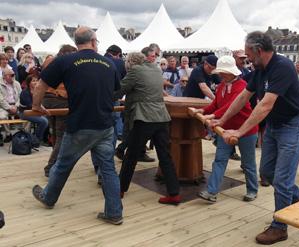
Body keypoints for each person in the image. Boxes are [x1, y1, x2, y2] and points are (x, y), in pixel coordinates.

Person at [213, 31, 299, 245]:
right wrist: (221, 119)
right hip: (275, 126)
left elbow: (265, 104)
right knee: (267, 173)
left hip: (292, 125)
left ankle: (279, 227)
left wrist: (238, 131)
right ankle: (296, 195)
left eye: (248, 54)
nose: (246, 59)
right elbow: (242, 97)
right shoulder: (258, 70)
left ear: (258, 50)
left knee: (282, 180)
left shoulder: (282, 67)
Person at [31, 26, 123, 225]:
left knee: (63, 165)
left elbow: (40, 85)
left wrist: (37, 106)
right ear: (93, 41)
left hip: (80, 125)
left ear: (76, 43)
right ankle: (114, 212)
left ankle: (49, 197)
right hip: (105, 126)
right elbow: (117, 90)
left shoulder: (65, 60)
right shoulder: (109, 63)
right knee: (108, 170)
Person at [118, 52, 181, 205]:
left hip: (144, 117)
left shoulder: (135, 71)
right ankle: (174, 193)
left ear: (130, 63)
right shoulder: (156, 69)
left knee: (131, 156)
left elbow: (119, 90)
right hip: (161, 117)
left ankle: (119, 189)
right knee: (165, 156)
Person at [195, 56, 258, 203]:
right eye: (220, 72)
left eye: (223, 72)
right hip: (225, 130)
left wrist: (212, 115)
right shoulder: (222, 86)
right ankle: (211, 192)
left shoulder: (242, 86)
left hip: (246, 130)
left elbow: (231, 106)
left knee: (248, 163)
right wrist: (203, 111)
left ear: (232, 72)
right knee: (219, 160)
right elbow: (216, 104)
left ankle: (252, 190)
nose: (220, 75)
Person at [42, 45, 76, 177]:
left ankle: (54, 163)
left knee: (55, 133)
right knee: (61, 135)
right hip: (61, 100)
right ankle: (50, 167)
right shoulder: (67, 63)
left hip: (47, 99)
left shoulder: (49, 61)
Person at [19, 75, 49, 143]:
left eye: (36, 80)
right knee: (44, 121)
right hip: (24, 113)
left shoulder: (38, 91)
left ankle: (44, 139)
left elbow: (41, 103)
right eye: (33, 81)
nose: (36, 82)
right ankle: (36, 139)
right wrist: (42, 109)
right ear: (29, 83)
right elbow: (31, 105)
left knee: (48, 118)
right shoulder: (25, 92)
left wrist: (43, 109)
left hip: (35, 112)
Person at [0, 68, 22, 143]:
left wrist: (16, 105)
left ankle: (25, 133)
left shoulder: (17, 83)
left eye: (14, 74)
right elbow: (1, 100)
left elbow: (20, 97)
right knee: (2, 117)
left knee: (27, 114)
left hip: (16, 106)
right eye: (11, 75)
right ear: (4, 76)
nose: (13, 76)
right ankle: (8, 134)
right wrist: (9, 108)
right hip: (4, 107)